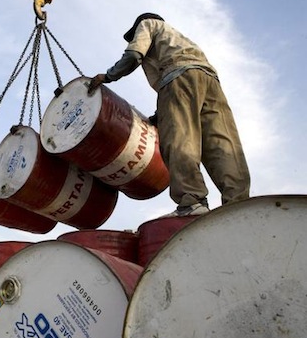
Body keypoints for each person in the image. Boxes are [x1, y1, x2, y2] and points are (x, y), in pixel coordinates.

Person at [88, 13, 250, 217]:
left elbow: (134, 55)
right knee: (221, 143)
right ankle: (239, 204)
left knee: (179, 139)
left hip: (177, 76)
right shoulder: (179, 39)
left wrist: (108, 76)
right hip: (209, 79)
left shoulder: (148, 24)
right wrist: (160, 114)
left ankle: (192, 200)